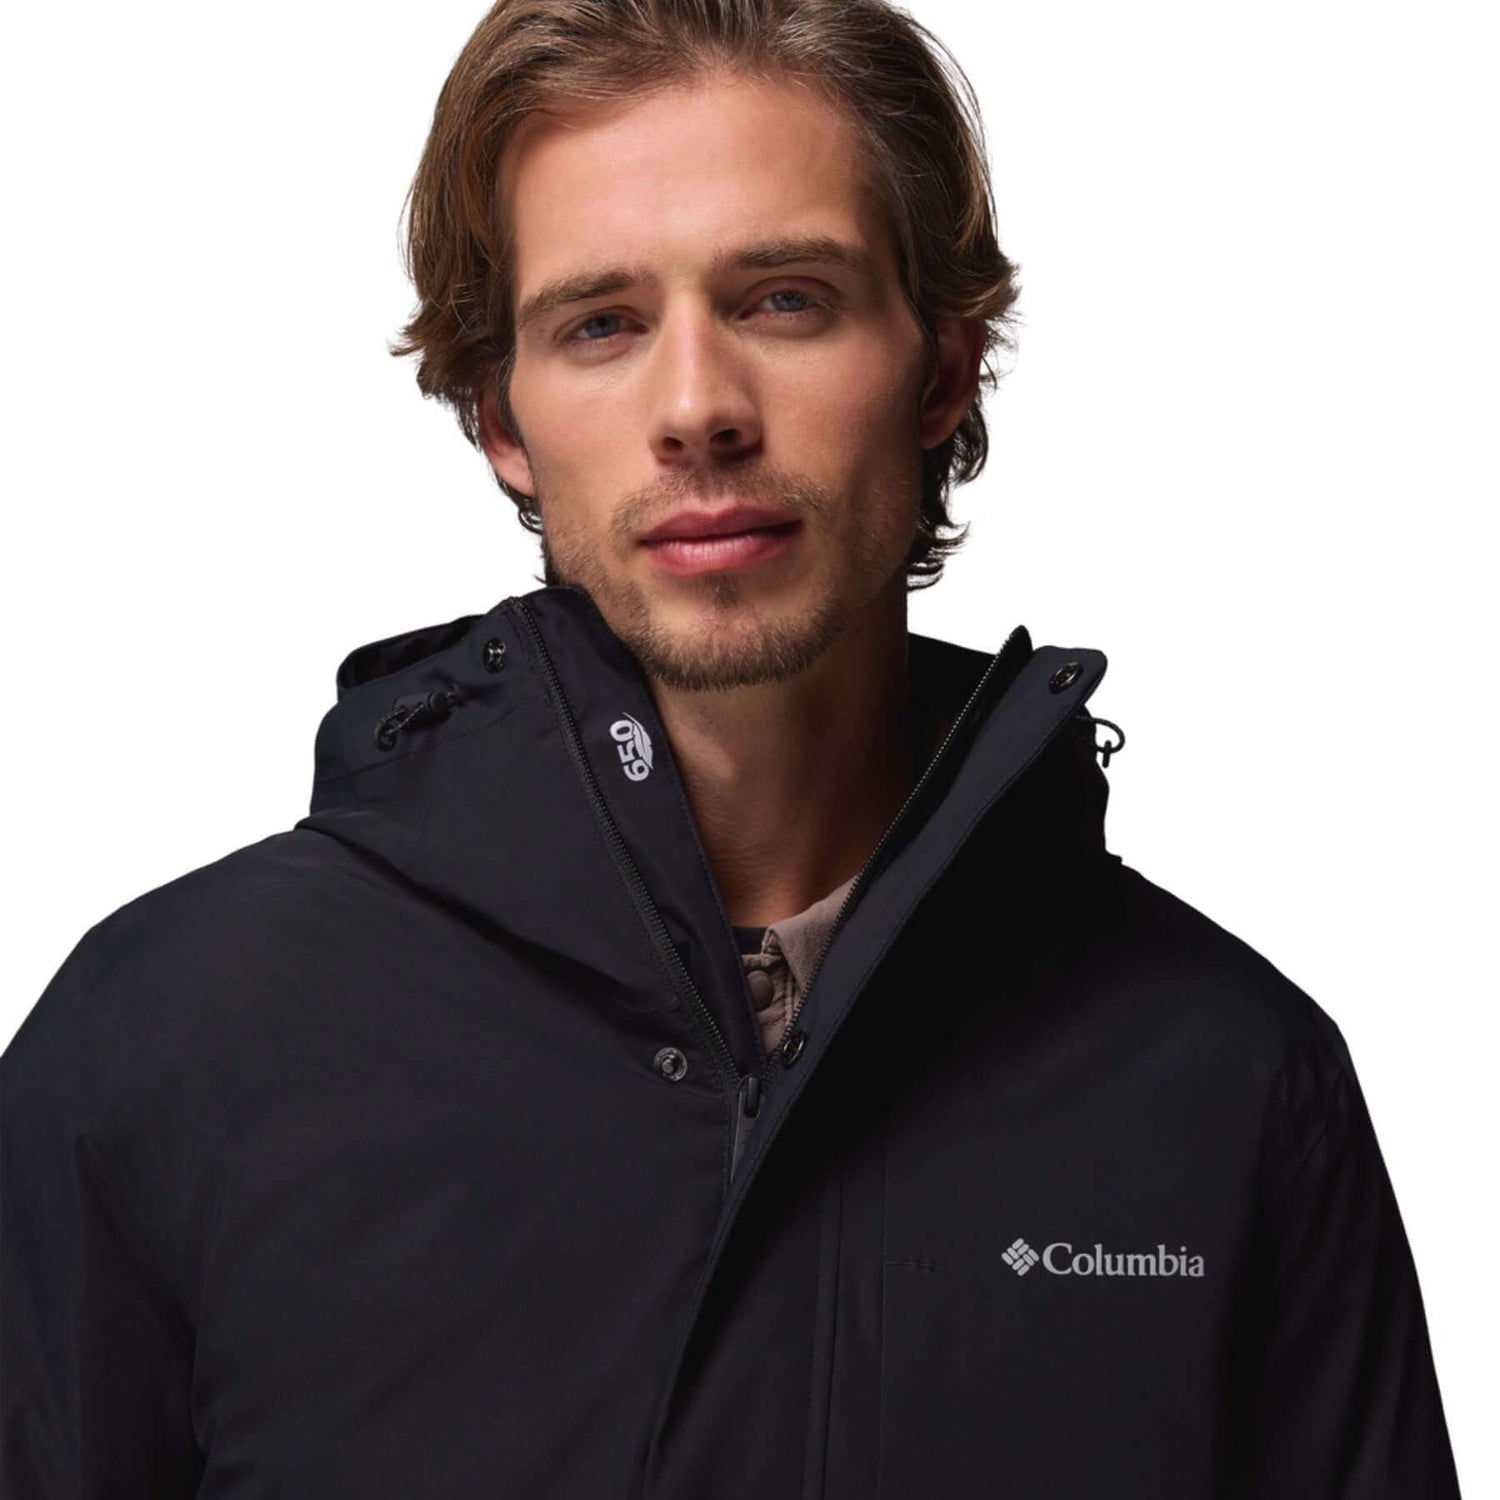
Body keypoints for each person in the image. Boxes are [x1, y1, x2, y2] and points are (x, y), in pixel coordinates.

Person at [0, 0, 1464, 1495]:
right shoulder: (167, 1050)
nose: (698, 409)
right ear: (500, 418)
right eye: (602, 325)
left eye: (784, 300)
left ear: (943, 368)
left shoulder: (1227, 1079)